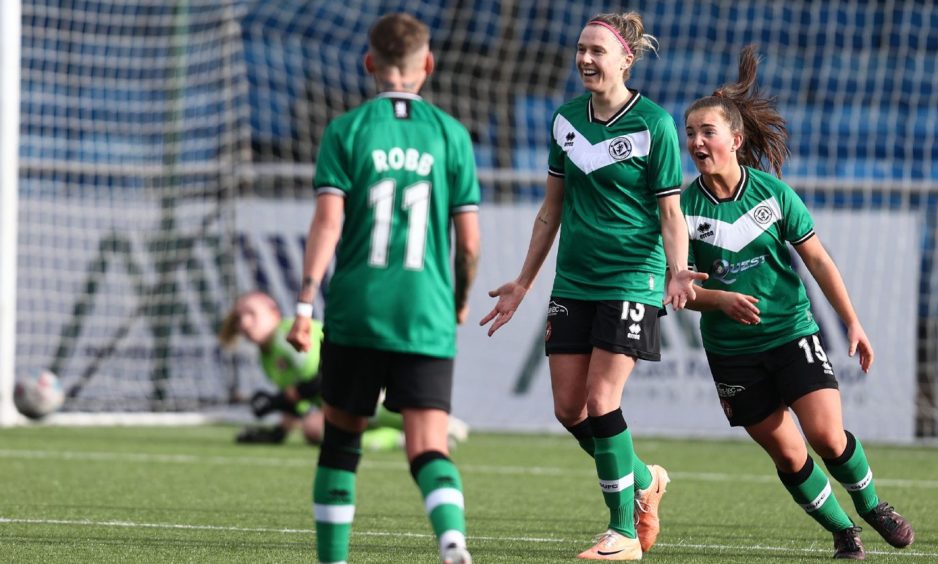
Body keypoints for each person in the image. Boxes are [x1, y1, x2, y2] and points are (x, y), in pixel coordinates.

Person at [480, 12, 705, 561]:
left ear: (626, 59)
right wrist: (522, 284)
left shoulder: (652, 123)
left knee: (603, 400)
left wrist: (677, 268)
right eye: (580, 49)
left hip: (633, 275)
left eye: (597, 51)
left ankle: (623, 531)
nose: (584, 59)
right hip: (574, 279)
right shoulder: (565, 121)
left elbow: (671, 214)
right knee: (569, 410)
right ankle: (645, 481)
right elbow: (549, 212)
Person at [680, 45, 915, 560]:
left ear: (735, 140)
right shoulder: (679, 209)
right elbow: (674, 289)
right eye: (690, 132)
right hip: (733, 351)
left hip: (791, 332)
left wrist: (851, 321)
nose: (696, 141)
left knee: (828, 438)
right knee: (789, 454)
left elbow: (820, 262)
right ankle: (842, 531)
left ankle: (872, 505)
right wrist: (718, 300)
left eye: (707, 131)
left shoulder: (773, 194)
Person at [286, 13, 480, 564]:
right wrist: (461, 298)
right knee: (428, 445)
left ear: (370, 63)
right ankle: (452, 541)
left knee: (341, 443)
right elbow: (468, 244)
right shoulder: (451, 136)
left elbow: (327, 223)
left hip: (356, 308)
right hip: (426, 310)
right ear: (428, 65)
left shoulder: (346, 130)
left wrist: (304, 304)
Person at [218, 290, 407, 451]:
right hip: (347, 404)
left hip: (373, 393)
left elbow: (323, 381)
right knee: (314, 428)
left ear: (273, 312)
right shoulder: (267, 357)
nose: (244, 323)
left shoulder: (288, 336)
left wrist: (277, 401)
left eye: (251, 313)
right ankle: (396, 438)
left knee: (428, 428)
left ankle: (400, 436)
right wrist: (277, 433)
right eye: (238, 318)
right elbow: (301, 399)